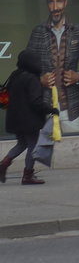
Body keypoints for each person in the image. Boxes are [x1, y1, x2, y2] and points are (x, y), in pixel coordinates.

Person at [27, 0, 79, 134]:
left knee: (75, 147)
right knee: (44, 148)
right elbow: (25, 69)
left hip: (71, 110)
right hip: (44, 108)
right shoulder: (38, 32)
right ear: (47, 4)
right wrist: (40, 80)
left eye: (58, 1)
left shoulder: (77, 31)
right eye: (51, 2)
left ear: (65, 2)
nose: (55, 7)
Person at [0, 49, 59, 185]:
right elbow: (36, 101)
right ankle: (27, 175)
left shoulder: (15, 75)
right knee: (33, 146)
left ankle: (3, 164)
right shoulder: (32, 79)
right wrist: (51, 109)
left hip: (15, 118)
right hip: (29, 120)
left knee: (22, 143)